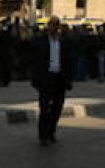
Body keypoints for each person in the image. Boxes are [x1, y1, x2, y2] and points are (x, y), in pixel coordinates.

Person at [31, 17, 73, 146]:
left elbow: (68, 62)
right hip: (46, 78)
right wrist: (35, 79)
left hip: (59, 78)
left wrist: (69, 79)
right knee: (44, 108)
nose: (54, 28)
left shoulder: (63, 42)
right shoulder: (40, 42)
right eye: (52, 25)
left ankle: (51, 132)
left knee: (57, 107)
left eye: (56, 25)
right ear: (48, 27)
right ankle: (43, 135)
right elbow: (35, 61)